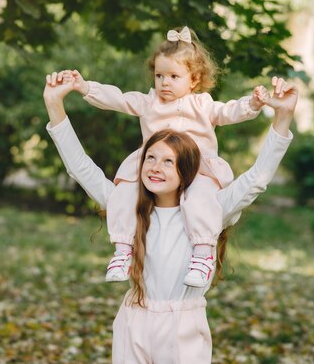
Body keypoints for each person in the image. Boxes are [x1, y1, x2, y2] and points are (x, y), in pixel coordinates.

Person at [43, 72, 297, 363]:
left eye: (168, 162)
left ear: (185, 170)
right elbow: (80, 167)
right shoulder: (128, 206)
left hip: (183, 328)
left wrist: (283, 115)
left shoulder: (211, 209)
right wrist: (55, 105)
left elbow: (256, 179)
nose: (155, 167)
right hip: (133, 322)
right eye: (150, 158)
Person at [56, 26, 269, 287]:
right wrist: (85, 87)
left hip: (195, 166)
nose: (164, 82)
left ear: (193, 80)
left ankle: (202, 254)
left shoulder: (201, 104)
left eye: (173, 76)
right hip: (154, 162)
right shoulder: (149, 102)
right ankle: (124, 249)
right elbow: (118, 99)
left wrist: (253, 104)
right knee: (124, 192)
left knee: (202, 196)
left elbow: (229, 112)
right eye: (159, 75)